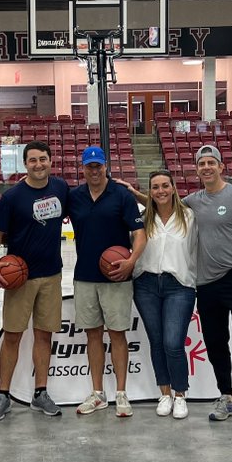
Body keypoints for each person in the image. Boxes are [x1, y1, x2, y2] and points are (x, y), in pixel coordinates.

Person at [121, 144, 232, 433]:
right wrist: (133, 193)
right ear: (196, 169)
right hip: (206, 283)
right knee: (216, 343)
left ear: (221, 166)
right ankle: (227, 397)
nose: (206, 167)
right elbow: (162, 202)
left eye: (211, 162)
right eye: (201, 163)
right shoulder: (193, 201)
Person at [0, 140, 69, 418]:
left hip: (51, 275)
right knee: (13, 336)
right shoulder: (12, 197)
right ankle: (3, 395)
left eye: (42, 159)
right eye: (32, 160)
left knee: (44, 336)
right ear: (25, 164)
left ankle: (40, 393)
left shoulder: (61, 189)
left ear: (50, 160)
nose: (38, 164)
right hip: (19, 278)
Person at [66, 145, 146, 417]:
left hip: (117, 276)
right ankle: (98, 393)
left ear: (105, 166)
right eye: (89, 166)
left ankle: (121, 394)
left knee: (117, 334)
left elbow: (139, 234)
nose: (94, 170)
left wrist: (131, 262)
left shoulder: (121, 195)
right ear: (83, 168)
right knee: (92, 334)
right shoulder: (74, 196)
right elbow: (46, 208)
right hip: (85, 276)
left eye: (98, 165)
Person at [130, 169, 197, 420]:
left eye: (165, 186)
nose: (160, 191)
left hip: (179, 285)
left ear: (173, 187)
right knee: (157, 342)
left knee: (173, 343)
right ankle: (165, 393)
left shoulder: (189, 217)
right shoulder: (142, 218)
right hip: (145, 284)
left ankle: (181, 394)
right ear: (150, 191)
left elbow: (197, 249)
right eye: (155, 187)